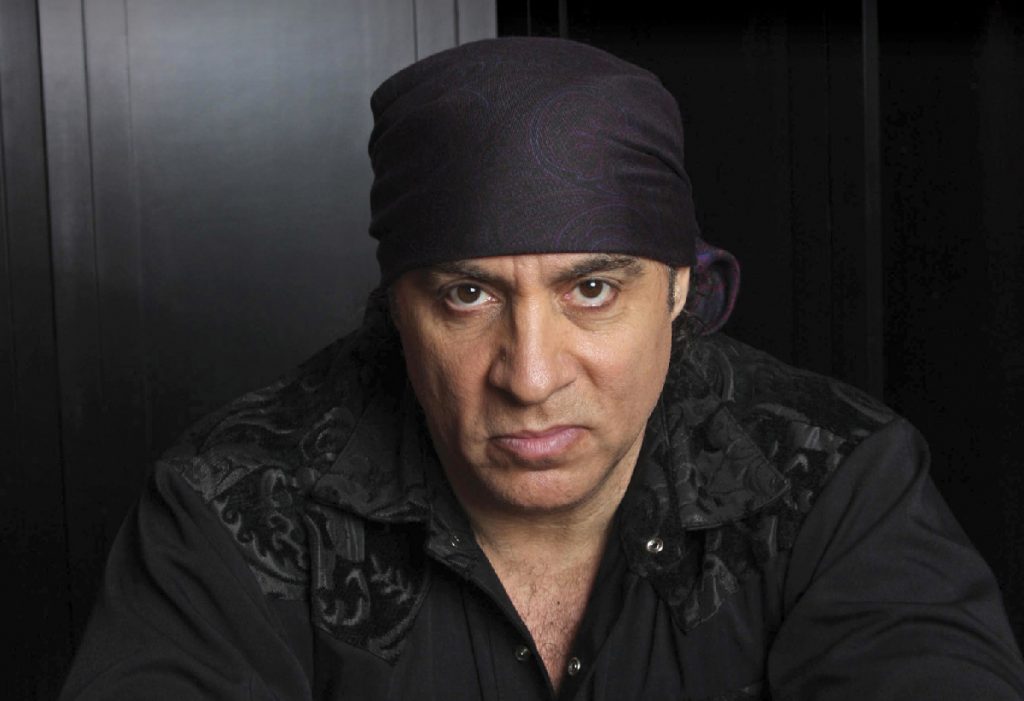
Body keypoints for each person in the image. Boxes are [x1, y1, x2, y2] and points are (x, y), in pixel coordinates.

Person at [59, 37, 1024, 700]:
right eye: (466, 295)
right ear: (397, 307)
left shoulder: (838, 482)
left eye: (592, 290)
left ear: (678, 290)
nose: (528, 375)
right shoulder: (232, 507)